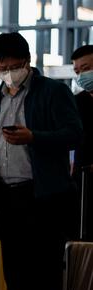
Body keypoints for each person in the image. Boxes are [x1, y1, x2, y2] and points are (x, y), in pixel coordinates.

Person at [0, 32, 82, 290]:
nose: (8, 73)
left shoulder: (53, 92)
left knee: (44, 278)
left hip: (43, 197)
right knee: (18, 279)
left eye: (14, 66)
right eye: (1, 67)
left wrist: (34, 137)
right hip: (9, 199)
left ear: (27, 62)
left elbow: (74, 134)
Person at [70, 45, 93, 240]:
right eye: (77, 71)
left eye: (85, 69)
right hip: (82, 180)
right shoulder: (76, 102)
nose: (81, 76)